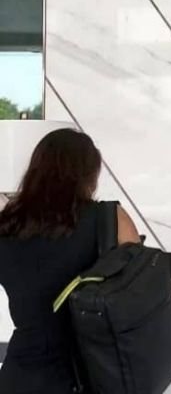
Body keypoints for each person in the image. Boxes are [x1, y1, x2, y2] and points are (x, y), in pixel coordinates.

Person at [0, 129, 141, 394]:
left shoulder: (7, 225)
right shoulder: (108, 218)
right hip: (87, 373)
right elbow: (140, 287)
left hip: (20, 376)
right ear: (89, 175)